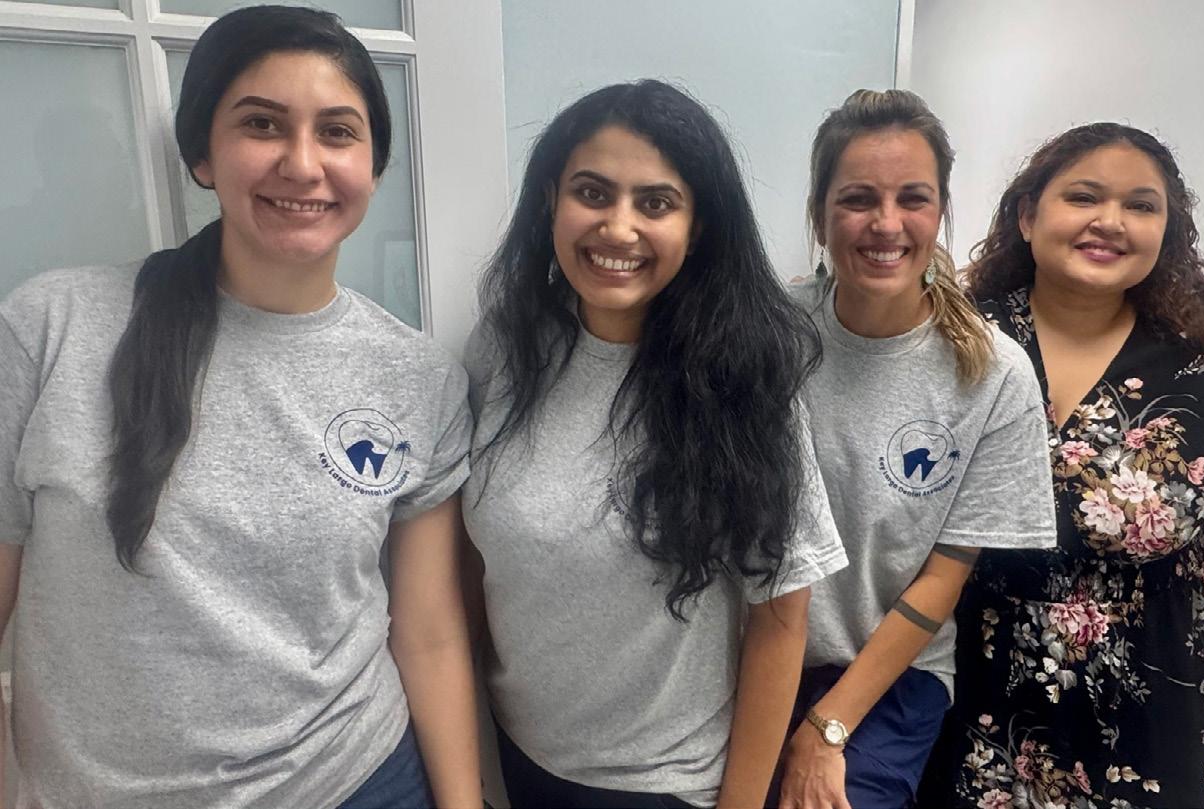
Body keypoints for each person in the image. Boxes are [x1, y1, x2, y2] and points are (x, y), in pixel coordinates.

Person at [0, 6, 481, 808]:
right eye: (262, 124)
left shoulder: (420, 377)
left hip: (357, 781)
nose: (302, 163)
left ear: (374, 165)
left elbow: (428, 633)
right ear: (202, 153)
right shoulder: (52, 328)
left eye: (337, 132)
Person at [461, 79, 849, 809]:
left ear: (697, 227)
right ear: (550, 199)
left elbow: (780, 619)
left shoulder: (747, 383)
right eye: (592, 193)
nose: (618, 228)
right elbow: (469, 562)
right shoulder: (505, 348)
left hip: (667, 786)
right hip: (516, 757)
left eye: (656, 203)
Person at [930, 122, 1204, 809]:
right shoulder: (953, 342)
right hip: (975, 698)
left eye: (1140, 206)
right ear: (1027, 216)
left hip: (1162, 706)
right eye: (1083, 197)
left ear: (1165, 234)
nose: (1110, 221)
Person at [775, 89, 1056, 809]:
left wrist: (828, 727)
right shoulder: (769, 336)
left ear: (940, 213)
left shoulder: (991, 374)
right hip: (756, 650)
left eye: (913, 199)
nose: (886, 223)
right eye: (857, 199)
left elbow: (941, 580)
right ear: (817, 215)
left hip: (890, 674)